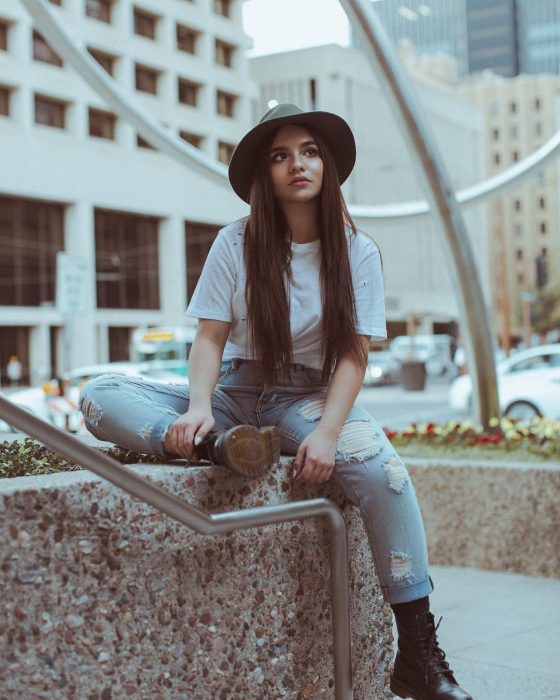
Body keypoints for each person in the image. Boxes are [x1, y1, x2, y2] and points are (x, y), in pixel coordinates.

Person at [79, 103, 472, 700]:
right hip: (237, 394)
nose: (297, 164)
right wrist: (200, 408)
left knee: (386, 472)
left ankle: (417, 656)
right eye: (280, 154)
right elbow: (209, 337)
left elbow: (352, 354)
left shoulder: (357, 251)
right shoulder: (234, 243)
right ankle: (214, 447)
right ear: (265, 174)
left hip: (306, 397)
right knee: (99, 395)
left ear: (327, 165)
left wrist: (328, 433)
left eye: (309, 151)